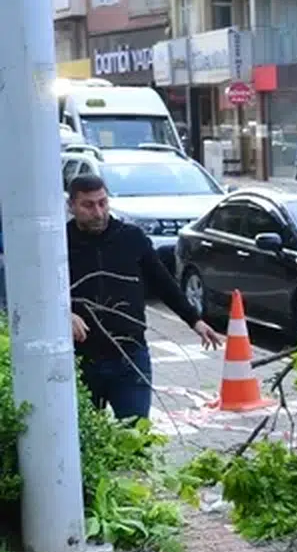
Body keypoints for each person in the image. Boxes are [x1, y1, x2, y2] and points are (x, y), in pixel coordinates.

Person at [66, 174, 222, 421]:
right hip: (80, 361)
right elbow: (34, 294)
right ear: (71, 206)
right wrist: (63, 313)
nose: (98, 212)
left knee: (137, 438)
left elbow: (163, 282)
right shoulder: (59, 243)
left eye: (103, 203)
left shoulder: (131, 238)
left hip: (130, 357)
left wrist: (195, 320)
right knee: (84, 443)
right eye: (88, 205)